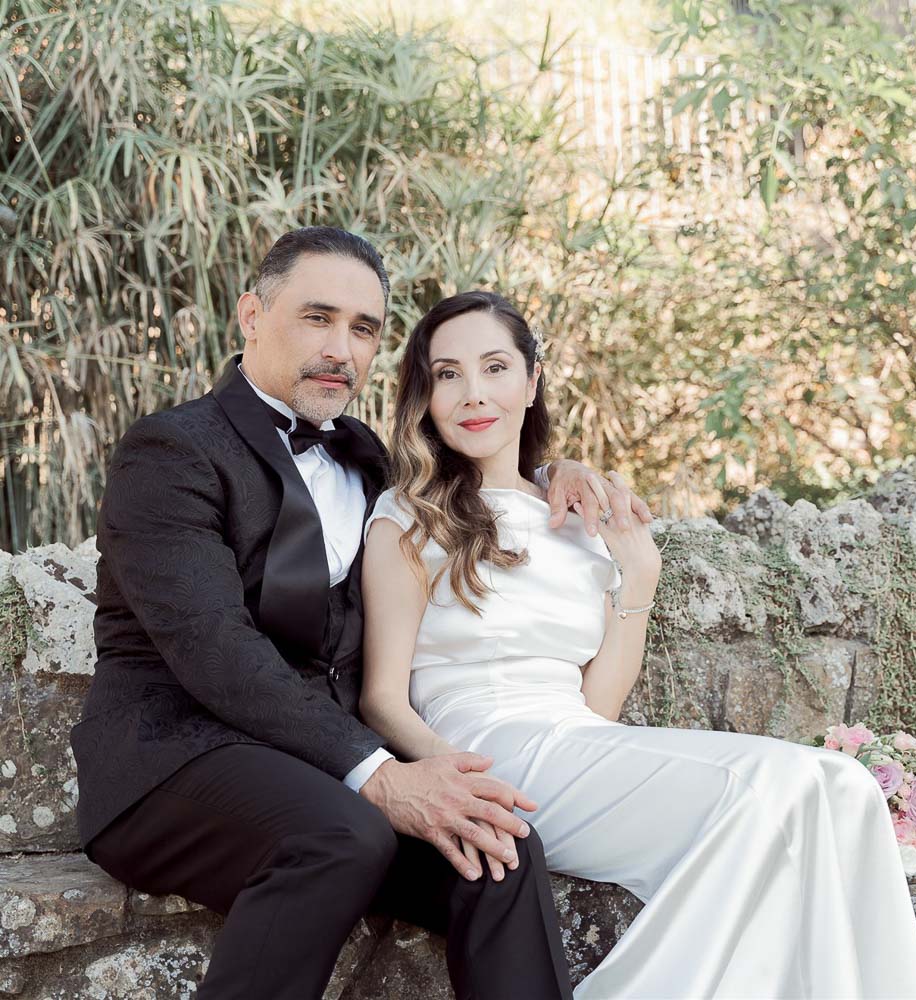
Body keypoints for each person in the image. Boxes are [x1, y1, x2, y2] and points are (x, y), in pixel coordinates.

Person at [70, 227, 653, 1000]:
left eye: (364, 329)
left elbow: (471, 469)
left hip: (317, 768)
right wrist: (379, 774)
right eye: (318, 318)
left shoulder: (367, 457)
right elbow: (213, 648)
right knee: (339, 832)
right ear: (252, 315)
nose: (342, 347)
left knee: (501, 851)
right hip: (174, 766)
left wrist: (554, 472)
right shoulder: (172, 451)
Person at [359, 290, 916, 999]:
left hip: (573, 741)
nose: (473, 394)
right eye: (447, 374)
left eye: (495, 367)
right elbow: (382, 698)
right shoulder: (409, 516)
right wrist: (453, 776)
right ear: (424, 394)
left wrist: (640, 576)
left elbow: (596, 707)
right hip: (488, 755)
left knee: (844, 788)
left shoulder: (573, 514)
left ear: (532, 381)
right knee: (770, 792)